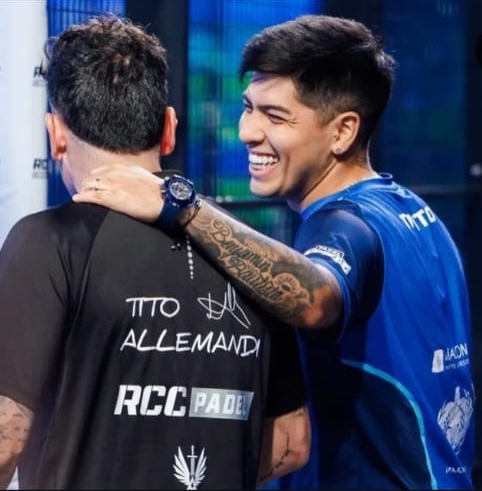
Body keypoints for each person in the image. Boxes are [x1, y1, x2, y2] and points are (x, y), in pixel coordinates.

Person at [72, 14, 475, 490]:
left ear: (343, 131)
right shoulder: (413, 213)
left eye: (276, 117)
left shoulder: (344, 226)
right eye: (249, 108)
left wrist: (181, 207)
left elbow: (314, 299)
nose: (247, 131)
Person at [0, 14, 311, 490]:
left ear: (56, 134)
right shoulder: (254, 257)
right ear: (169, 129)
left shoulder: (48, 241)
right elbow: (290, 443)